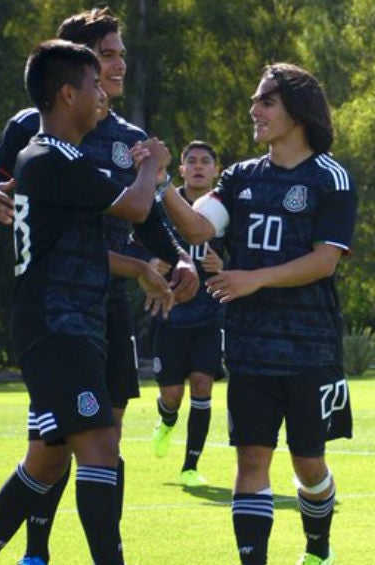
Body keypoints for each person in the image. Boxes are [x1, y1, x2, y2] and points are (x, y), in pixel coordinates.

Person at [0, 8, 197, 565]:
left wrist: (178, 258)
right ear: (72, 84)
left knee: (90, 443)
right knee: (69, 446)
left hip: (98, 308)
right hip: (55, 310)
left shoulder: (121, 138)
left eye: (118, 55)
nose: (117, 67)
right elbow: (133, 202)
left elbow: (144, 219)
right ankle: (37, 550)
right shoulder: (39, 138)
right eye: (106, 58)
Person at [161, 63, 356, 565]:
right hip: (248, 345)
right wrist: (158, 182)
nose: (255, 110)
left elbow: (324, 260)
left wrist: (254, 278)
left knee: (309, 464)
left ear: (296, 109)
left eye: (266, 101)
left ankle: (318, 549)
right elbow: (200, 227)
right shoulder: (241, 176)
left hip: (309, 346)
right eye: (255, 101)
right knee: (251, 461)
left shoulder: (330, 177)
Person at [145, 141, 226, 487]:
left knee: (203, 386)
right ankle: (166, 420)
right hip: (170, 314)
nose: (197, 166)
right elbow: (140, 242)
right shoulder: (162, 203)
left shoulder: (224, 207)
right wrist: (151, 263)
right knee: (172, 395)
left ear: (215, 170)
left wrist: (225, 265)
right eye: (190, 161)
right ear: (180, 169)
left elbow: (246, 257)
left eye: (205, 161)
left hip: (209, 316)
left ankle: (190, 466)